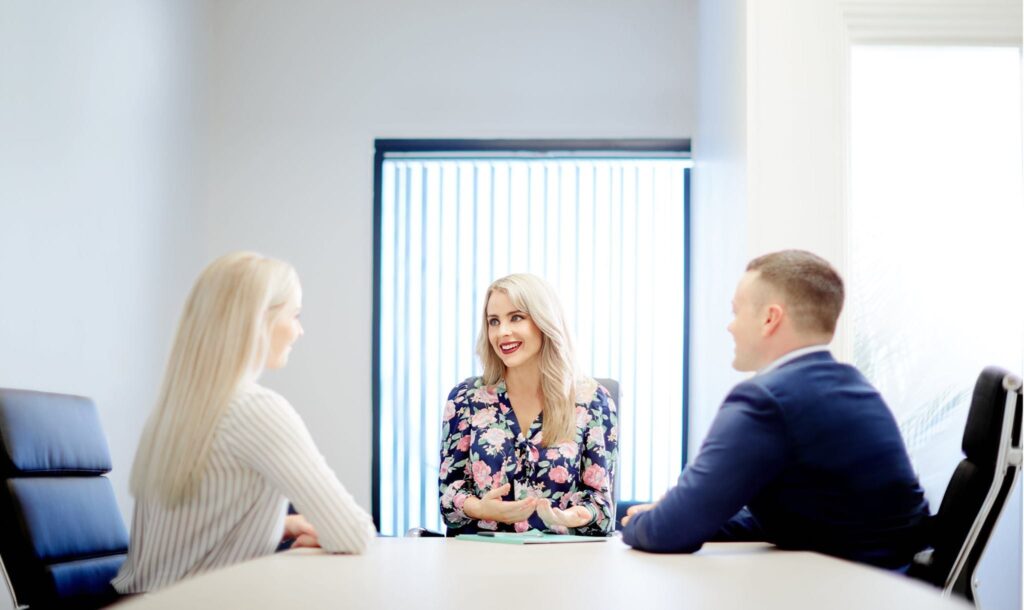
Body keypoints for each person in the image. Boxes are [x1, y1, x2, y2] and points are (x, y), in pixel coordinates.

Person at [621, 250, 929, 570]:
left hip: (848, 588)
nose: (730, 327)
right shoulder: (851, 386)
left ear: (770, 318)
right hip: (889, 581)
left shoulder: (766, 400)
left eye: (736, 312)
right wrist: (684, 518)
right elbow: (805, 520)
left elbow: (669, 531)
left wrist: (640, 522)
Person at [113, 252, 375, 593]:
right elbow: (354, 534)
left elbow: (188, 530)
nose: (300, 331)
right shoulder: (257, 410)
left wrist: (281, 525)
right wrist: (330, 531)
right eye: (295, 315)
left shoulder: (170, 413)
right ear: (258, 320)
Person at [439, 273, 617, 535]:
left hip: (560, 556)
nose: (502, 332)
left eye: (516, 317)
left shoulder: (593, 401)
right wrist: (480, 508)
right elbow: (448, 498)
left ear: (544, 321)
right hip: (482, 554)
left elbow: (602, 509)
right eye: (494, 321)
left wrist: (573, 516)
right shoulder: (466, 398)